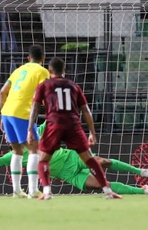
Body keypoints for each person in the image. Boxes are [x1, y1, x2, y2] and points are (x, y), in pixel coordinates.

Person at [0, 121, 148, 195]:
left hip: (72, 158)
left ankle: (140, 172)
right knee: (100, 184)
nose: (7, 135)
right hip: (68, 175)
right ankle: (143, 191)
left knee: (101, 162)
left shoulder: (35, 134)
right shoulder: (16, 155)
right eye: (5, 133)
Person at [28, 57, 121, 200]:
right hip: (73, 125)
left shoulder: (44, 86)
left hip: (54, 124)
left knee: (43, 159)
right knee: (89, 160)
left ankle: (47, 192)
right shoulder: (74, 86)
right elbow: (86, 111)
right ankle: (107, 191)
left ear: (49, 71)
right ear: (64, 70)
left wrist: (30, 129)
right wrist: (92, 132)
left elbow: (34, 108)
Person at [0, 44, 50, 198]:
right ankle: (33, 190)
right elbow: (45, 93)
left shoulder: (18, 70)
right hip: (22, 112)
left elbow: (2, 92)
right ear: (43, 58)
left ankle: (16, 191)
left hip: (7, 112)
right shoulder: (43, 71)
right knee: (35, 149)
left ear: (28, 58)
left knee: (17, 151)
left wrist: (2, 115)